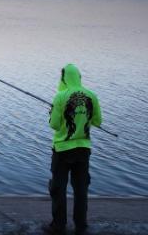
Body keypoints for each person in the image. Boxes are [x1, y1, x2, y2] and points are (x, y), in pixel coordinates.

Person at [44, 64, 102, 235]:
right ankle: (81, 226)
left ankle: (58, 226)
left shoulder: (60, 96)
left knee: (58, 188)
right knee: (81, 189)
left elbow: (54, 125)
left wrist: (52, 112)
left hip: (62, 150)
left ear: (64, 78)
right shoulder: (92, 95)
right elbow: (98, 122)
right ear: (79, 77)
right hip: (83, 150)